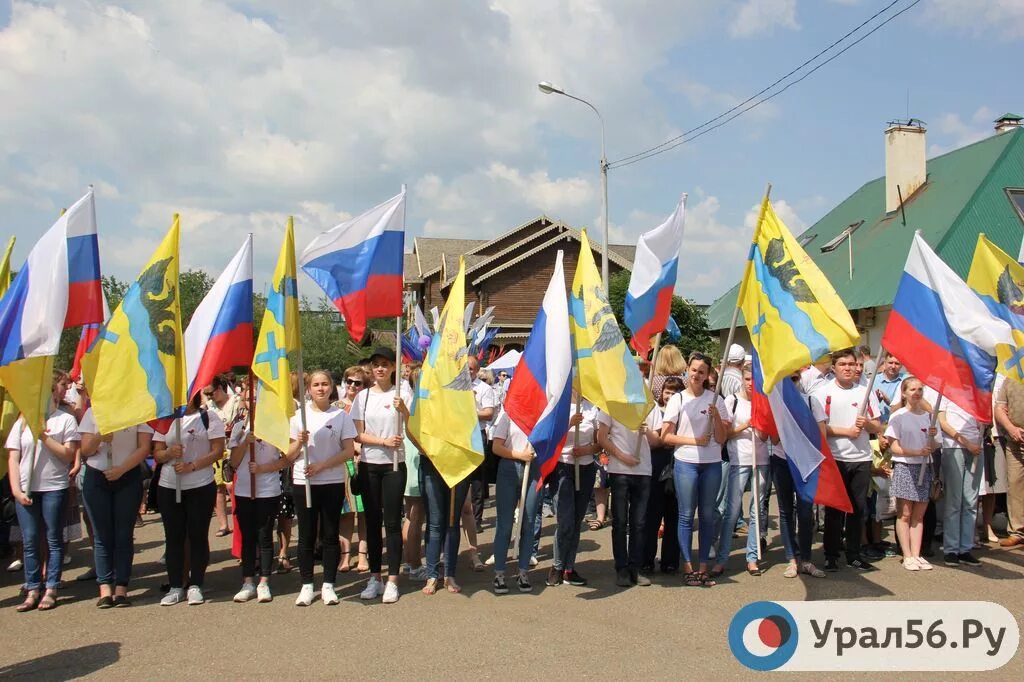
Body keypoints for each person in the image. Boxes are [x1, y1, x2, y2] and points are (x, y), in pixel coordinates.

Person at [7, 370, 81, 612]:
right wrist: (16, 490)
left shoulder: (65, 420)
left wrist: (44, 437)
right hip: (27, 490)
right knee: (29, 541)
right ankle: (32, 588)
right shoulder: (21, 422)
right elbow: (13, 458)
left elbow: (68, 454)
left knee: (53, 538)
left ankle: (51, 587)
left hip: (54, 487)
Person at [661, 352, 731, 588]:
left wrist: (717, 419)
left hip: (711, 464)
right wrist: (694, 441)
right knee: (686, 515)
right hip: (686, 463)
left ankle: (703, 567)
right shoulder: (678, 400)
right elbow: (666, 436)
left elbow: (722, 439)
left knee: (708, 515)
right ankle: (688, 566)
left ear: (707, 374)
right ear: (687, 371)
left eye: (702, 371)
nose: (697, 375)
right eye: (694, 370)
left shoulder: (716, 400)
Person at [289, 370, 356, 606]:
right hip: (304, 482)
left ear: (331, 387)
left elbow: (348, 450)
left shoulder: (341, 416)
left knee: (330, 534)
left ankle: (329, 584)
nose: (320, 388)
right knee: (306, 535)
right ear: (308, 389)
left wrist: (322, 465)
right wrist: (299, 442)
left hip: (331, 481)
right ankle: (307, 585)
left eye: (324, 384)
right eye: (316, 385)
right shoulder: (298, 417)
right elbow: (288, 455)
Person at [153, 391, 226, 606]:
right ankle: (176, 585)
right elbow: (157, 452)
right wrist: (168, 454)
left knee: (197, 535)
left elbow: (218, 451)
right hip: (169, 486)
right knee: (174, 536)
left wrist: (191, 466)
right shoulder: (165, 417)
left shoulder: (209, 417)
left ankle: (196, 584)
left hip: (200, 485)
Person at [351, 348, 412, 604]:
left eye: (385, 364)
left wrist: (404, 409)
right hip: (369, 464)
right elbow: (358, 435)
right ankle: (374, 577)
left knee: (392, 522)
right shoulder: (362, 397)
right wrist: (383, 441)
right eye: (376, 365)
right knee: (372, 522)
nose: (380, 369)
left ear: (393, 367)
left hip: (394, 465)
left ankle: (392, 580)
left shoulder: (403, 391)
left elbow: (412, 421)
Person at [79, 402, 152, 608]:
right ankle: (105, 588)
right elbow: (85, 449)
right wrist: (100, 436)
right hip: (97, 478)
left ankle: (121, 587)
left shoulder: (137, 410)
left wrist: (121, 470)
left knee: (123, 534)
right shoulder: (94, 412)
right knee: (102, 534)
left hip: (127, 477)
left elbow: (144, 447)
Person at [815, 348, 882, 572]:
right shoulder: (822, 393)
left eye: (851, 364)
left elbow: (878, 425)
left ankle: (853, 554)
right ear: (833, 367)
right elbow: (821, 429)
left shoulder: (865, 392)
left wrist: (868, 424)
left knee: (857, 510)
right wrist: (846, 431)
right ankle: (831, 555)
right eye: (843, 364)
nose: (848, 368)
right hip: (836, 458)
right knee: (834, 511)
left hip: (861, 458)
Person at [713, 367, 770, 577]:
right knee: (732, 511)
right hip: (739, 461)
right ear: (741, 380)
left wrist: (760, 426)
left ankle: (752, 557)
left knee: (758, 511)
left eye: (753, 380)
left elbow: (766, 437)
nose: (750, 383)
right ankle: (722, 559)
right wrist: (745, 425)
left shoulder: (763, 402)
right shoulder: (732, 401)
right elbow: (725, 433)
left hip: (761, 460)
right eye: (747, 379)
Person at [228, 411, 290, 603]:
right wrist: (245, 442)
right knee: (248, 537)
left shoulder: (277, 426)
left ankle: (264, 582)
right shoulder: (239, 427)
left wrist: (264, 468)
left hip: (267, 490)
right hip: (244, 490)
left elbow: (287, 459)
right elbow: (233, 462)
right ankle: (248, 582)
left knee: (264, 535)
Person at [598, 404, 662, 587]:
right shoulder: (611, 403)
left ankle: (636, 567)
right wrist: (622, 456)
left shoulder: (650, 405)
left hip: (643, 470)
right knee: (619, 522)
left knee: (639, 522)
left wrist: (646, 431)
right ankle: (621, 568)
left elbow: (657, 440)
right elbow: (601, 437)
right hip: (619, 470)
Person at [771, 373, 827, 579]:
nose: (791, 383)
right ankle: (792, 559)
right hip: (781, 461)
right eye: (786, 379)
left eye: (794, 378)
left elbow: (822, 435)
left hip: (806, 462)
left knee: (805, 510)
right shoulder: (776, 404)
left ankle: (806, 559)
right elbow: (774, 439)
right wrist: (784, 416)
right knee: (786, 511)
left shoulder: (811, 401)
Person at [547, 395, 601, 587]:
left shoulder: (592, 408)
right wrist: (569, 424)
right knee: (565, 520)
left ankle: (569, 568)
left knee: (577, 519)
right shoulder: (558, 405)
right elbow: (549, 438)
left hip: (585, 467)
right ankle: (557, 565)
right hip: (562, 467)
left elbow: (599, 442)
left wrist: (587, 451)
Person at [885, 378, 938, 571]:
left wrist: (932, 440)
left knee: (919, 515)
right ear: (904, 392)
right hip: (906, 467)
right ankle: (906, 555)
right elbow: (894, 447)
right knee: (905, 513)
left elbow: (935, 445)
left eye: (920, 389)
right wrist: (916, 452)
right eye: (913, 389)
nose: (917, 393)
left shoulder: (929, 417)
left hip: (925, 467)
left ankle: (917, 554)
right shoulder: (898, 416)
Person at [490, 409, 541, 593]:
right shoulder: (509, 415)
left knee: (528, 522)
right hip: (509, 469)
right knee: (504, 524)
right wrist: (520, 455)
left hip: (534, 469)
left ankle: (523, 572)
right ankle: (500, 574)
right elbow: (496, 447)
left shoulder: (541, 416)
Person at [642, 376, 683, 575]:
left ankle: (670, 560)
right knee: (653, 513)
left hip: (678, 464)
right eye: (667, 392)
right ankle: (646, 559)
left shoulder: (684, 413)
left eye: (675, 392)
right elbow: (656, 441)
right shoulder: (653, 411)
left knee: (674, 513)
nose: (670, 396)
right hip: (656, 464)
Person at [937, 395, 983, 566]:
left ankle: (965, 548)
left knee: (971, 501)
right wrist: (964, 441)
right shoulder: (947, 391)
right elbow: (942, 422)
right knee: (954, 501)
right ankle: (951, 549)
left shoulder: (978, 390)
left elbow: (984, 419)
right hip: (954, 447)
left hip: (976, 448)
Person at [336, 366, 369, 572]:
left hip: (366, 461)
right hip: (343, 464)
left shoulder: (368, 405)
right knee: (346, 513)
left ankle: (363, 555)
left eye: (358, 383)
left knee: (365, 511)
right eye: (349, 381)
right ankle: (345, 555)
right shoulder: (336, 407)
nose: (352, 386)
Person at [206, 375, 241, 537]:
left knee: (233, 488)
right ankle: (223, 524)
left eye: (211, 393)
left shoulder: (236, 401)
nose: (209, 397)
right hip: (217, 451)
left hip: (236, 450)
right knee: (218, 489)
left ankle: (239, 523)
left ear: (220, 389)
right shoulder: (209, 407)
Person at [993, 374, 1024, 548]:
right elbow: (999, 408)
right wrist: (1011, 428)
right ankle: (1017, 531)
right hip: (1015, 440)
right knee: (1015, 485)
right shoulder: (1010, 379)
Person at [469, 356, 497, 531]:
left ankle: (476, 520)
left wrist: (467, 411)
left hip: (477, 434)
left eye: (471, 369)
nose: (468, 372)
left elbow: (488, 414)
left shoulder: (484, 389)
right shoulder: (456, 387)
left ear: (477, 370)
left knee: (477, 479)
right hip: (458, 434)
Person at [872, 355, 906, 424]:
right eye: (890, 363)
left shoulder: (906, 381)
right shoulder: (873, 380)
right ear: (884, 363)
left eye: (897, 363)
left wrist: (888, 401)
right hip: (876, 425)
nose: (893, 366)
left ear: (901, 365)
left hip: (897, 425)